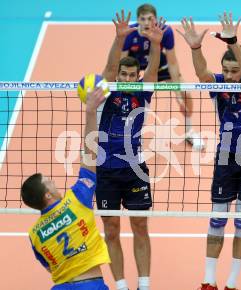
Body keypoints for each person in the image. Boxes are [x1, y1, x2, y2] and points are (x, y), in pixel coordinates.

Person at [178, 12, 241, 290]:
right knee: (217, 218)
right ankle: (208, 280)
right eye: (226, 71)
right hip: (226, 157)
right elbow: (202, 74)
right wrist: (195, 48)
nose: (229, 76)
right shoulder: (218, 85)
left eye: (233, 71)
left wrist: (233, 43)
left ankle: (231, 283)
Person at [96, 10, 165, 290]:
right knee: (111, 231)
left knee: (139, 226)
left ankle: (144, 285)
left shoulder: (141, 93)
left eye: (130, 74)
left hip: (135, 169)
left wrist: (157, 44)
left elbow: (152, 72)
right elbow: (109, 69)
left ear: (136, 76)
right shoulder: (104, 93)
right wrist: (119, 38)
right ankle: (122, 285)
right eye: (122, 73)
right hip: (106, 172)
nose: (125, 77)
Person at [22, 86, 109, 289]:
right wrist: (91, 112)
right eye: (49, 181)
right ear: (48, 194)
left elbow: (49, 267)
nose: (54, 182)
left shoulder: (34, 234)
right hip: (91, 286)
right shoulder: (76, 200)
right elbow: (90, 155)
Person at [122, 3, 205, 150]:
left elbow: (172, 63)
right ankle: (123, 133)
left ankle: (189, 131)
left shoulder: (165, 31)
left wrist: (178, 93)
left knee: (186, 94)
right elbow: (121, 62)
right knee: (127, 98)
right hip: (136, 69)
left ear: (156, 19)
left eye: (150, 19)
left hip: (161, 67)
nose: (146, 22)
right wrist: (123, 84)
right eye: (143, 19)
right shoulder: (130, 33)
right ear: (138, 20)